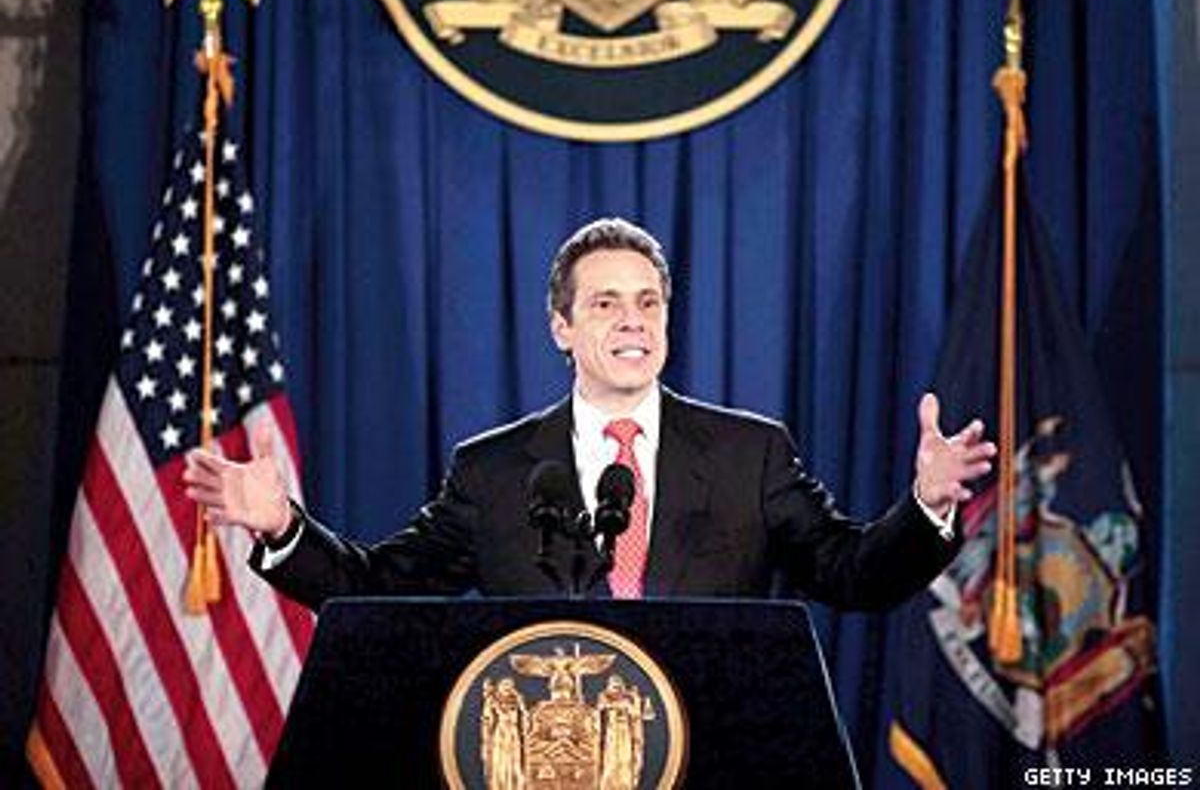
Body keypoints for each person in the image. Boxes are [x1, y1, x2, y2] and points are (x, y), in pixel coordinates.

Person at [183, 218, 995, 611]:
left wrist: (926, 506)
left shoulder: (750, 453)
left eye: (648, 302)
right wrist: (282, 526)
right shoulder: (492, 471)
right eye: (605, 303)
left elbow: (852, 575)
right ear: (561, 328)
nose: (632, 320)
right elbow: (375, 588)